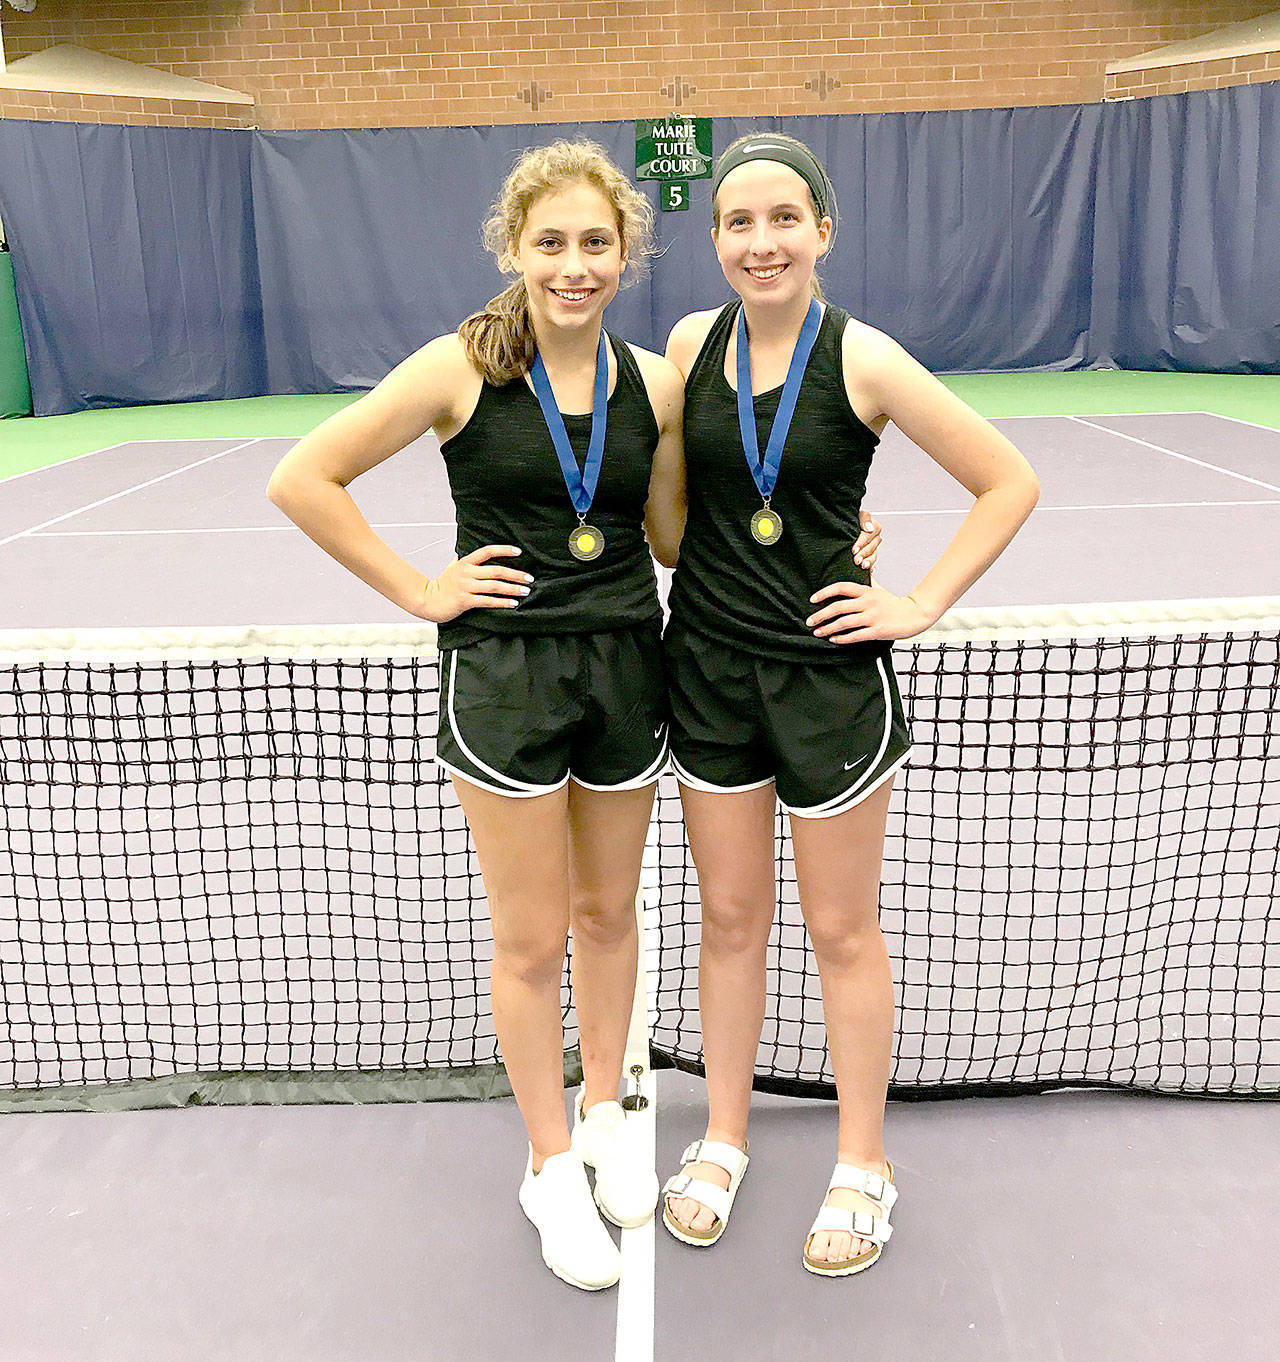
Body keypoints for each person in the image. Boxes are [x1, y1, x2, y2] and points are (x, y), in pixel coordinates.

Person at [266, 140, 687, 1292]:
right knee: (529, 934)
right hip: (500, 679)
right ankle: (548, 1165)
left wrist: (824, 546)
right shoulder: (458, 368)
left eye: (595, 243)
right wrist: (420, 589)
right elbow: (304, 476)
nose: (573, 264)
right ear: (514, 248)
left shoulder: (650, 384)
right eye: (550, 243)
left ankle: (605, 1110)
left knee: (609, 915)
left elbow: (669, 542)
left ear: (626, 253)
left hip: (623, 675)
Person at [658, 132, 1040, 1277]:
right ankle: (722, 1136)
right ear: (715, 239)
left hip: (828, 683)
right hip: (710, 674)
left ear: (822, 230)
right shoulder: (688, 345)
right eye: (737, 222)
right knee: (729, 921)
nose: (759, 241)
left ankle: (860, 1160)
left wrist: (915, 598)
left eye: (784, 219)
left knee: (839, 928)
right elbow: (673, 530)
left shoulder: (864, 359)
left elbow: (1005, 479)